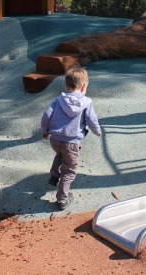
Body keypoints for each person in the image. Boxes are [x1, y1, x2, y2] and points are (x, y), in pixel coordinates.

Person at [41, 67, 101, 210]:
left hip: (55, 139)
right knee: (69, 170)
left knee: (60, 155)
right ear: (84, 86)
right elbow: (91, 119)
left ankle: (54, 175)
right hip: (71, 143)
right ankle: (62, 199)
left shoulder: (58, 100)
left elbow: (46, 115)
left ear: (67, 85)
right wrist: (97, 130)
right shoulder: (86, 102)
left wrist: (45, 131)